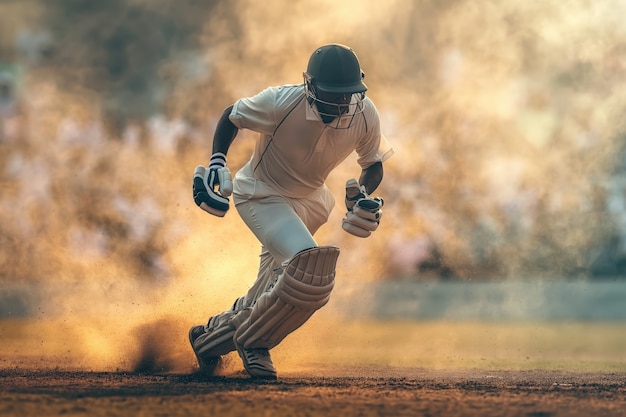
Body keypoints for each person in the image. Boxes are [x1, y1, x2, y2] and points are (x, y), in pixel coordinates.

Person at [189, 43, 394, 379]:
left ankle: (208, 338)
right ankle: (255, 343)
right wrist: (216, 161)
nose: (343, 102)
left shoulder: (365, 112)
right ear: (310, 86)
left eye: (349, 94)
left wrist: (363, 193)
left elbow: (372, 162)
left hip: (311, 202)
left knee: (274, 288)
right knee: (309, 272)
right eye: (334, 93)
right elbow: (231, 115)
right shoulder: (281, 102)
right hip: (262, 194)